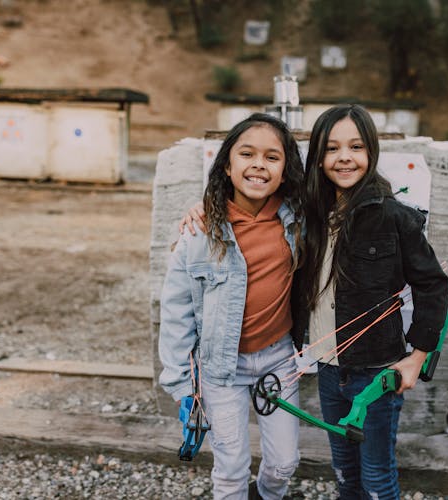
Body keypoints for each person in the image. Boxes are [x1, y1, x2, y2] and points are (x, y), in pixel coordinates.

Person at [180, 104, 448, 499]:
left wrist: (418, 354)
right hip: (327, 368)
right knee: (343, 471)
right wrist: (206, 207)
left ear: (371, 152)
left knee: (376, 476)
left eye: (356, 147)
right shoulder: (309, 214)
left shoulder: (394, 217)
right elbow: (253, 201)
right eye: (332, 148)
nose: (344, 158)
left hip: (375, 372)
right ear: (318, 159)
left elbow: (433, 285)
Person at [159, 113, 305, 500]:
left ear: (286, 170)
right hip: (222, 369)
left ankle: (267, 495)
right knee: (230, 468)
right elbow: (176, 312)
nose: (258, 164)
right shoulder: (199, 232)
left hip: (279, 361)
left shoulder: (297, 222)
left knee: (284, 464)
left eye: (272, 157)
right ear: (227, 164)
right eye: (247, 154)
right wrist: (180, 383)